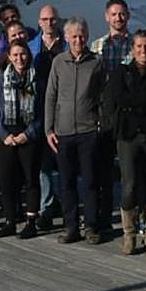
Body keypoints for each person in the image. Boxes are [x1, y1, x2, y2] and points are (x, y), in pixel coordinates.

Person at [104, 30, 146, 255]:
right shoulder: (121, 73)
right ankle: (129, 234)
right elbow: (117, 99)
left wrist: (134, 105)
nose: (143, 50)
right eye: (139, 46)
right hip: (128, 135)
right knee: (129, 184)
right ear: (132, 49)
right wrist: (143, 102)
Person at [44, 17, 105, 243]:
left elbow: (102, 96)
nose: (78, 40)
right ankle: (71, 227)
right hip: (63, 132)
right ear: (67, 37)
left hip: (88, 130)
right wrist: (49, 129)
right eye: (74, 36)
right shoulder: (59, 62)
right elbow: (51, 96)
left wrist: (100, 124)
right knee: (66, 183)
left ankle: (91, 226)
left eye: (82, 35)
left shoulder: (96, 62)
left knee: (90, 182)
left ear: (87, 36)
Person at [0, 40, 45, 238]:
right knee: (6, 181)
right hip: (6, 136)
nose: (19, 58)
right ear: (9, 57)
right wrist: (5, 136)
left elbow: (42, 113)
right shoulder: (0, 81)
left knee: (31, 179)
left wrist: (27, 134)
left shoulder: (37, 81)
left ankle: (31, 221)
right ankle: (10, 220)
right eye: (15, 55)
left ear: (28, 55)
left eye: (23, 54)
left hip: (28, 134)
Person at [90, 0, 133, 236]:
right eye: (114, 14)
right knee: (103, 171)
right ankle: (104, 218)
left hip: (128, 115)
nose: (118, 18)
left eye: (122, 14)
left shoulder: (136, 44)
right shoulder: (97, 46)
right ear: (107, 17)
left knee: (131, 172)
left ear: (127, 16)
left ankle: (133, 220)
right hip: (105, 115)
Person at [30, 4, 66, 228]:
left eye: (53, 19)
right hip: (39, 109)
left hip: (64, 110)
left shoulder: (67, 45)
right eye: (45, 19)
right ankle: (47, 205)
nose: (49, 23)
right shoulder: (32, 47)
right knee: (43, 163)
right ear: (39, 22)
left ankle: (65, 202)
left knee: (63, 160)